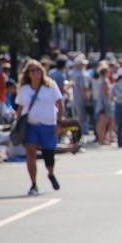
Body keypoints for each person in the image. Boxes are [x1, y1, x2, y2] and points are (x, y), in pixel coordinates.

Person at [15, 59, 65, 196]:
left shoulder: (50, 86)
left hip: (48, 125)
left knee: (48, 153)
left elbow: (60, 104)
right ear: (28, 74)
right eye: (32, 70)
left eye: (38, 70)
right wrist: (17, 124)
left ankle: (50, 173)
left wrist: (59, 123)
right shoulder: (24, 89)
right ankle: (33, 184)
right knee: (30, 153)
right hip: (30, 126)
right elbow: (20, 108)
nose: (35, 72)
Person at [70, 55, 92, 135]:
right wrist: (87, 100)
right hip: (81, 99)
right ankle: (82, 134)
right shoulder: (81, 75)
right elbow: (84, 89)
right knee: (83, 118)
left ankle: (77, 133)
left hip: (74, 98)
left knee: (76, 118)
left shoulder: (72, 73)